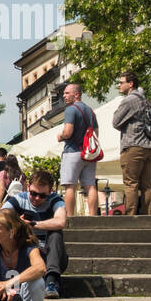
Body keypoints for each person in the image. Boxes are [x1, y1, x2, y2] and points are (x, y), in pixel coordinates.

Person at [3, 168, 68, 299]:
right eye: (33, 193)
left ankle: (51, 282)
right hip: (25, 253)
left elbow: (61, 221)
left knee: (56, 233)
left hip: (50, 255)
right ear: (27, 187)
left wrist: (32, 224)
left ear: (50, 192)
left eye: (42, 195)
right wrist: (16, 223)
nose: (37, 198)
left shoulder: (56, 200)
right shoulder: (17, 200)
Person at [113, 71, 151, 216]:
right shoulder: (145, 100)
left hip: (133, 145)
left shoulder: (129, 100)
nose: (119, 85)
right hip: (148, 146)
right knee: (147, 184)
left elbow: (115, 122)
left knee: (131, 183)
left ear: (130, 84)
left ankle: (130, 217)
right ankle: (148, 216)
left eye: (121, 82)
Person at [56, 83, 100, 217]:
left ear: (76, 94)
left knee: (70, 186)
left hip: (72, 151)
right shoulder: (91, 111)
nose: (64, 96)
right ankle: (93, 216)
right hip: (88, 154)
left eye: (67, 93)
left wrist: (60, 136)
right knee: (90, 186)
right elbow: (96, 132)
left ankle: (69, 217)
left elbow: (68, 132)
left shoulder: (71, 110)